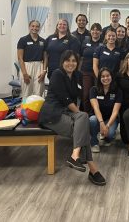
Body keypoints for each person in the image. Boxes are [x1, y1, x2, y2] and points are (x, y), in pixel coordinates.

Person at [38, 50, 105, 186]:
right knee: (83, 124)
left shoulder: (77, 76)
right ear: (62, 62)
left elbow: (78, 96)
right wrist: (80, 116)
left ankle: (77, 157)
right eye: (68, 60)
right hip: (52, 115)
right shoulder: (57, 74)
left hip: (66, 113)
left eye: (74, 61)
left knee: (82, 122)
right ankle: (91, 169)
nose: (71, 63)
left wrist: (80, 117)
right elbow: (66, 100)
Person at [88, 67, 122, 153]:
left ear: (111, 76)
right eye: (103, 76)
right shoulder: (93, 90)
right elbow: (96, 108)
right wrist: (102, 123)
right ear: (99, 78)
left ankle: (108, 136)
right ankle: (94, 142)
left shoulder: (118, 91)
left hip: (111, 119)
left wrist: (107, 126)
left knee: (109, 135)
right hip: (97, 118)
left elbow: (115, 112)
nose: (105, 78)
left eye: (108, 76)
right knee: (92, 120)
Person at [17, 20, 47, 97]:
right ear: (29, 27)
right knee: (26, 93)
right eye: (33, 26)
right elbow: (20, 58)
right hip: (27, 67)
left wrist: (44, 71)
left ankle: (38, 109)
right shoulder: (23, 40)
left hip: (39, 67)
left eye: (37, 26)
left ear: (39, 28)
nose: (35, 28)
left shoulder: (43, 41)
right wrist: (24, 73)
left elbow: (45, 57)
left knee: (39, 93)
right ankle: (25, 109)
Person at [80, 23, 103, 112]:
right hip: (86, 72)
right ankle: (86, 114)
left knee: (98, 95)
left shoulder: (103, 44)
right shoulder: (85, 42)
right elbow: (81, 57)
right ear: (90, 31)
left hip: (99, 72)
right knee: (86, 94)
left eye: (97, 30)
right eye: (93, 29)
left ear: (101, 32)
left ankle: (96, 114)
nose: (95, 31)